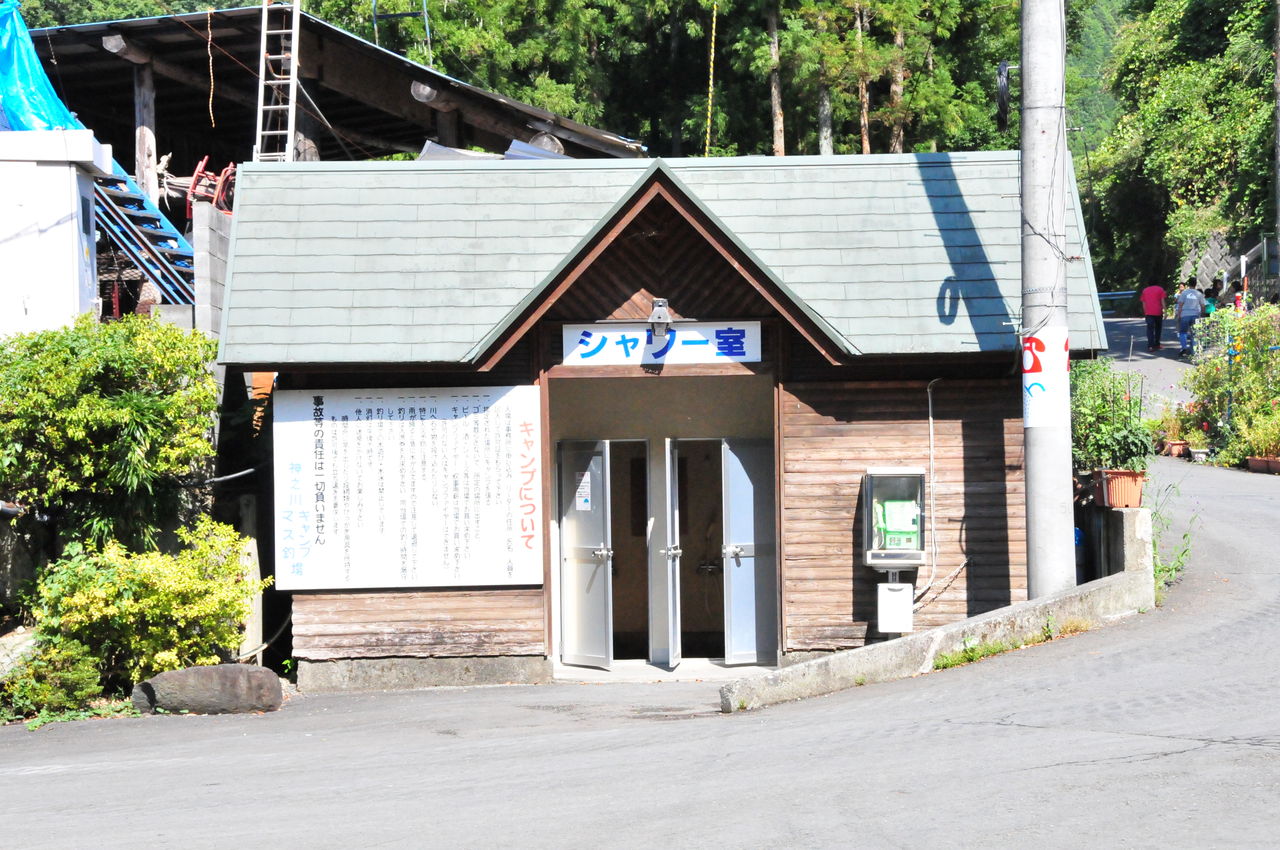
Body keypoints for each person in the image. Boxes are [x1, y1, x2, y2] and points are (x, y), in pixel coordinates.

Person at [1175, 278, 1206, 358]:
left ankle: (1184, 348)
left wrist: (1178, 315)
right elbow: (1203, 306)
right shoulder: (1199, 294)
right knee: (1194, 334)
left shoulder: (1184, 293)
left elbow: (1180, 305)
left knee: (1183, 332)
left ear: (1188, 284)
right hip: (1195, 315)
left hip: (1184, 315)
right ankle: (1194, 351)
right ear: (1196, 284)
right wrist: (1202, 315)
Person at [1139, 281, 1167, 351]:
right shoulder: (1160, 289)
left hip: (1149, 312)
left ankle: (1150, 346)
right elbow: (1162, 301)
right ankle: (1157, 344)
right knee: (1158, 328)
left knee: (1150, 329)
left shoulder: (1145, 290)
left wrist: (1145, 312)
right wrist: (1165, 311)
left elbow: (1143, 303)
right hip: (1158, 312)